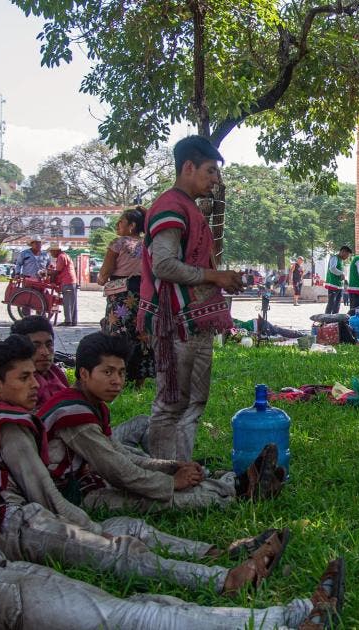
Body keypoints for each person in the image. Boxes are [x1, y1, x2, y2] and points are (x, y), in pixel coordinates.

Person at [0, 413, 345, 630]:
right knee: (125, 613)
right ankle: (288, 616)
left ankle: (239, 580)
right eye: (28, 372)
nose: (38, 378)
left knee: (128, 604)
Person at [0, 336, 288, 595]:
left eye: (35, 376)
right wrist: (94, 526)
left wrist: (170, 468)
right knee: (118, 547)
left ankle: (216, 552)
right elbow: (52, 494)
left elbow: (119, 456)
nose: (36, 385)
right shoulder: (14, 423)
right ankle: (227, 569)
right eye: (24, 378)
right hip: (13, 519)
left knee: (133, 529)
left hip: (38, 508)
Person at [38, 332, 283, 514]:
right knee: (158, 499)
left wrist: (172, 466)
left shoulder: (92, 405)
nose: (117, 381)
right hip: (71, 496)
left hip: (89, 479)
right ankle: (238, 492)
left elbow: (121, 453)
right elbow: (117, 470)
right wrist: (170, 481)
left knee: (163, 480)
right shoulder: (73, 413)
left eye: (122, 373)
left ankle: (238, 482)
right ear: (83, 374)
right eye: (108, 372)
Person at [140, 136, 242, 462]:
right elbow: (163, 264)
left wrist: (221, 278)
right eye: (211, 171)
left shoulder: (190, 209)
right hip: (175, 322)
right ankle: (163, 473)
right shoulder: (170, 206)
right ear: (188, 167)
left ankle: (183, 468)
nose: (216, 180)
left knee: (194, 402)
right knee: (170, 403)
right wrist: (216, 276)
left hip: (196, 322)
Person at [97, 207, 154, 386]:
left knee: (118, 334)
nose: (117, 225)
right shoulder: (148, 244)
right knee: (141, 333)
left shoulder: (118, 243)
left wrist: (101, 279)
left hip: (121, 296)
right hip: (144, 294)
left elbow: (105, 272)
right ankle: (140, 381)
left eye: (121, 222)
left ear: (132, 226)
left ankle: (119, 377)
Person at [10, 315, 69, 404]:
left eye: (49, 345)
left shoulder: (55, 372)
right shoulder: (16, 385)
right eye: (36, 346)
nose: (45, 352)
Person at [48, 243, 78, 326]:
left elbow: (57, 271)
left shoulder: (61, 256)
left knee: (67, 301)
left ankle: (68, 321)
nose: (51, 253)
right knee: (72, 301)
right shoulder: (64, 255)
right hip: (71, 281)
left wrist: (50, 275)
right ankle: (73, 320)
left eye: (51, 252)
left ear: (56, 251)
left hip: (67, 281)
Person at [323, 245, 350, 315]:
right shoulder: (334, 258)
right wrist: (341, 273)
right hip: (333, 285)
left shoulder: (341, 260)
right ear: (342, 252)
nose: (347, 257)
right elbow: (332, 268)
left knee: (337, 305)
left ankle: (334, 321)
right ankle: (327, 320)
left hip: (339, 286)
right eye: (347, 255)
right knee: (331, 304)